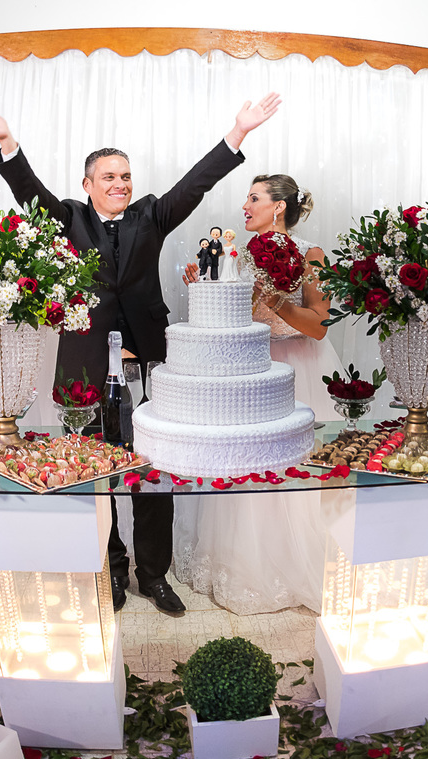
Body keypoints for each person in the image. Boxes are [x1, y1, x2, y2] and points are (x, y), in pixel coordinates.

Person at [0, 94, 281, 615]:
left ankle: (153, 575)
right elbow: (28, 191)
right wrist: (7, 141)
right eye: (109, 177)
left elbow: (194, 185)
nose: (120, 184)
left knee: (153, 470)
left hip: (150, 365)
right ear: (88, 184)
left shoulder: (151, 215)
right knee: (92, 472)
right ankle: (110, 568)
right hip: (84, 365)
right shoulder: (66, 218)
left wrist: (238, 132)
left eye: (126, 176)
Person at [175, 174, 343, 614]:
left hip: (299, 367)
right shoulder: (236, 255)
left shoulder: (311, 254)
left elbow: (319, 325)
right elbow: (233, 319)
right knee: (245, 462)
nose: (244, 207)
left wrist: (276, 300)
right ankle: (245, 561)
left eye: (253, 198)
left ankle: (299, 560)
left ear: (278, 206)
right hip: (248, 370)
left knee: (296, 468)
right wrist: (206, 288)